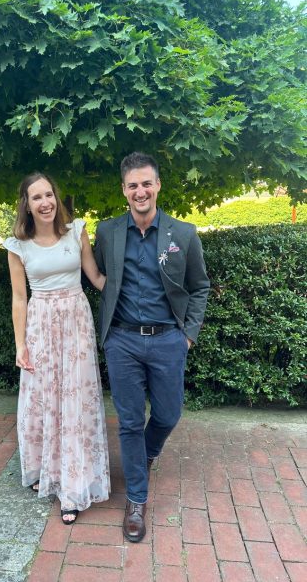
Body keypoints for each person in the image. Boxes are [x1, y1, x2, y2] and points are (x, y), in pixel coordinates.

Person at [94, 152, 210, 542]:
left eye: (146, 183)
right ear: (123, 190)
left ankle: (145, 453)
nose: (140, 191)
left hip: (168, 340)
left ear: (158, 185)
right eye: (133, 185)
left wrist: (188, 334)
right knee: (129, 422)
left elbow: (199, 286)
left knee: (168, 413)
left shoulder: (184, 234)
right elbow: (102, 277)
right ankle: (136, 500)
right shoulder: (108, 233)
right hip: (122, 340)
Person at [4, 172, 110, 525]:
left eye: (49, 194)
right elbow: (19, 298)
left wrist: (137, 290)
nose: (45, 202)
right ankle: (45, 471)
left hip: (76, 324)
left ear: (56, 197)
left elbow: (96, 278)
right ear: (27, 204)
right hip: (40, 326)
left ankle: (73, 487)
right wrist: (20, 344)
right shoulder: (17, 246)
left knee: (75, 399)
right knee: (44, 398)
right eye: (36, 197)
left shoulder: (76, 231)